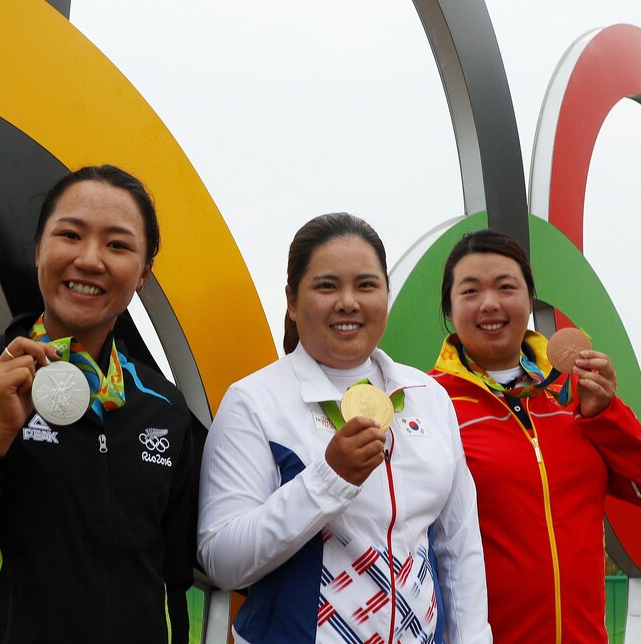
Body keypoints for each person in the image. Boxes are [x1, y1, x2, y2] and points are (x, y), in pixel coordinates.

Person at [0, 165, 195, 643]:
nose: (90, 260)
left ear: (143, 275)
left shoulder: (164, 408)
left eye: (117, 245)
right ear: (38, 250)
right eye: (70, 234)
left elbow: (172, 581)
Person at [198, 213, 492, 643]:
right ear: (293, 301)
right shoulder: (255, 402)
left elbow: (458, 548)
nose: (349, 302)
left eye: (367, 285)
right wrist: (328, 480)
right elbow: (222, 559)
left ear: (386, 296)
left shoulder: (427, 396)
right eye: (327, 286)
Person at [429, 228, 641, 643]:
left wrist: (607, 414)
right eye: (470, 291)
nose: (490, 303)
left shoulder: (574, 392)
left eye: (506, 287)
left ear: (528, 299)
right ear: (450, 310)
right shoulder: (431, 404)